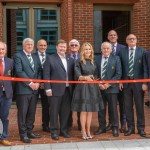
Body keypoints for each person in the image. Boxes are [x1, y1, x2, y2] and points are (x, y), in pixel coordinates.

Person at [43, 39, 74, 140]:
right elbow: (46, 74)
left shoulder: (70, 58)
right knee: (54, 111)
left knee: (65, 112)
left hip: (68, 90)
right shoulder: (50, 58)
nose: (62, 48)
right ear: (56, 47)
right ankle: (54, 131)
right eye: (60, 46)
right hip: (54, 90)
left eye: (64, 47)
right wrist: (47, 88)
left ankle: (63, 130)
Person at [71, 42, 103, 140]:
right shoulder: (78, 62)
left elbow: (97, 75)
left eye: (89, 49)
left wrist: (98, 81)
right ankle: (83, 131)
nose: (88, 51)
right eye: (86, 49)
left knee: (90, 111)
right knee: (84, 111)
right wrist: (86, 77)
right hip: (83, 88)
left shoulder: (93, 61)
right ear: (82, 51)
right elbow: (78, 76)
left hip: (93, 88)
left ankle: (88, 130)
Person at [119, 34, 148, 137]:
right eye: (129, 39)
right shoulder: (122, 52)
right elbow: (120, 68)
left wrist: (145, 83)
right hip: (126, 83)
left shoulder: (142, 51)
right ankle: (130, 128)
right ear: (126, 41)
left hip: (139, 84)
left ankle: (141, 128)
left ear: (136, 40)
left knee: (140, 107)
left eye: (133, 38)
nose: (131, 40)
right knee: (127, 107)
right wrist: (120, 81)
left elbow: (145, 68)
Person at [14, 38, 41, 143]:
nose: (30, 46)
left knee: (31, 112)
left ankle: (30, 131)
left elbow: (39, 71)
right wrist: (30, 83)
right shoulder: (18, 56)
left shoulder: (35, 56)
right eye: (28, 44)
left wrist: (38, 82)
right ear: (23, 45)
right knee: (22, 113)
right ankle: (23, 134)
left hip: (34, 90)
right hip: (23, 90)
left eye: (31, 44)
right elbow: (19, 71)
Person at [95, 41, 122, 137]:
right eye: (104, 48)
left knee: (113, 109)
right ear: (101, 49)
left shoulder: (116, 58)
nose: (106, 50)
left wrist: (108, 84)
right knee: (101, 109)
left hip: (112, 89)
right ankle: (102, 127)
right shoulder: (96, 59)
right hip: (99, 88)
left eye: (107, 48)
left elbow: (118, 74)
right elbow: (95, 73)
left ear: (111, 49)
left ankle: (115, 127)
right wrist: (99, 84)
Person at [107, 30, 126, 133]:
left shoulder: (123, 48)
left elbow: (125, 66)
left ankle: (123, 123)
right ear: (108, 37)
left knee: (122, 103)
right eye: (110, 35)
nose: (112, 36)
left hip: (121, 83)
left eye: (114, 35)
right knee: (111, 104)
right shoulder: (105, 48)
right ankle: (111, 123)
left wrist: (121, 80)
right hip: (110, 82)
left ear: (117, 36)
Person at [33, 39, 50, 132]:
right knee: (32, 106)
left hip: (45, 86)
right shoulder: (33, 56)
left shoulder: (50, 57)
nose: (43, 47)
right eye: (41, 45)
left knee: (46, 106)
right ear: (37, 46)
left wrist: (45, 83)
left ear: (46, 46)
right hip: (34, 85)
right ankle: (30, 126)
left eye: (44, 45)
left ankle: (46, 125)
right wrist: (38, 82)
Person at [0, 41, 13, 146]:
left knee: (5, 116)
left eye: (3, 49)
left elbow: (13, 77)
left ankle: (4, 137)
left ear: (5, 50)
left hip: (7, 94)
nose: (1, 51)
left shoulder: (10, 62)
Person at [68, 39, 81, 130]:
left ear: (79, 47)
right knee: (68, 105)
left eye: (76, 45)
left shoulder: (82, 57)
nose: (74, 47)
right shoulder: (65, 57)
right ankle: (68, 124)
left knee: (81, 105)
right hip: (68, 85)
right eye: (72, 45)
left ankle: (80, 124)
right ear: (69, 47)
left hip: (80, 85)